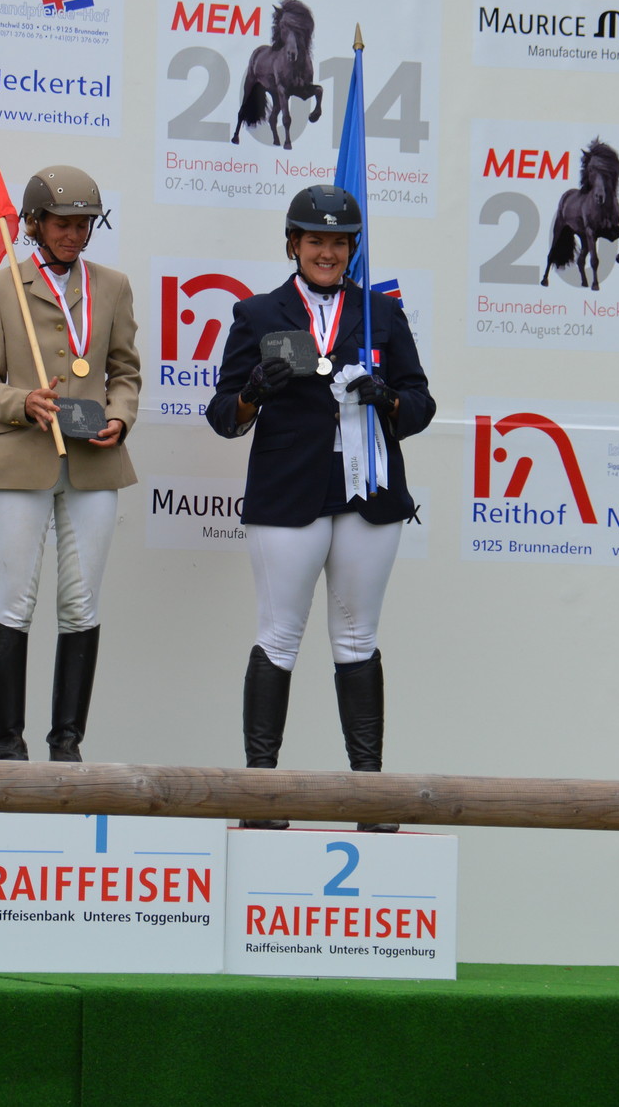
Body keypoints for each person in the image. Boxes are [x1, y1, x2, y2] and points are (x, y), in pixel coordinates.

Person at [206, 185, 435, 830]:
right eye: (316, 241)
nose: (327, 253)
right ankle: (260, 796)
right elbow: (225, 418)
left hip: (368, 497)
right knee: (279, 635)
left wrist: (385, 397)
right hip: (289, 495)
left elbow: (420, 408)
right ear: (293, 245)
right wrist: (254, 389)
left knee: (358, 637)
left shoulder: (381, 313)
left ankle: (370, 798)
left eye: (339, 242)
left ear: (352, 249)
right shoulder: (257, 314)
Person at [0, 165, 140, 761]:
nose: (73, 234)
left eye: (83, 224)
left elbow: (126, 371)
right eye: (62, 224)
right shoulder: (1, 287)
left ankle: (67, 742)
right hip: (24, 459)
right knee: (16, 597)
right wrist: (23, 402)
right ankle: (7, 744)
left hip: (95, 461)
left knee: (82, 601)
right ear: (35, 223)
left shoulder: (111, 286)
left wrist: (120, 416)